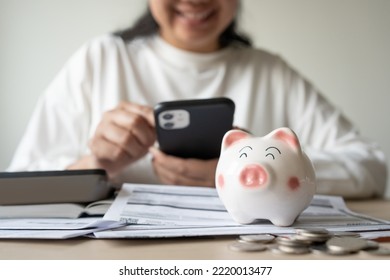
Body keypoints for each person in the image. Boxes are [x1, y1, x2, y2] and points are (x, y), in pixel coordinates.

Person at [8, 0, 387, 198]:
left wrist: (249, 174)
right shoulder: (102, 58)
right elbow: (18, 188)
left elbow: (371, 167)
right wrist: (96, 164)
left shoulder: (269, 71)